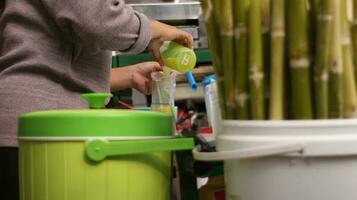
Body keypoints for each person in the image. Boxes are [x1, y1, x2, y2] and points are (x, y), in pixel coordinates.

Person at [0, 0, 194, 199]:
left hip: (30, 125)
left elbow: (44, 57)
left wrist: (128, 75)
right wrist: (153, 29)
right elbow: (98, 19)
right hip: (45, 135)